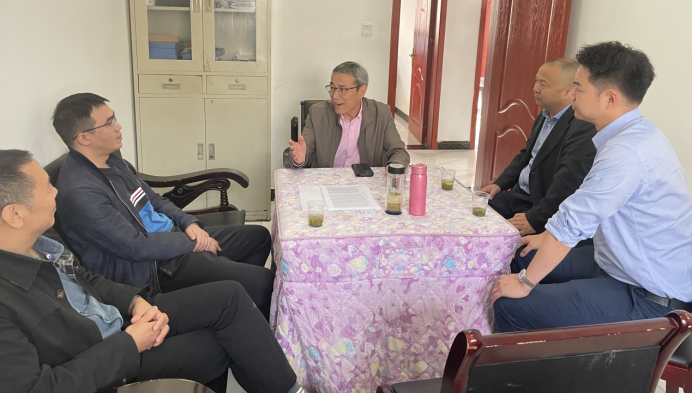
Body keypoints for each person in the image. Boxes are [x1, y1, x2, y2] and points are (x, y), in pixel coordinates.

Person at [0, 149, 300, 393]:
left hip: (120, 318)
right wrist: (130, 344)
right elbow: (40, 388)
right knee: (216, 346)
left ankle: (284, 388)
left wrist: (134, 302)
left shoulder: (42, 240)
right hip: (105, 356)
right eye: (47, 188)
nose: (56, 190)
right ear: (14, 214)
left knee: (230, 296)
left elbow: (88, 279)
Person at [491, 41, 692, 332]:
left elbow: (573, 222)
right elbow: (586, 211)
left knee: (510, 304)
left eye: (578, 88)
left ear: (609, 99)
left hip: (646, 294)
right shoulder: (638, 133)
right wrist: (544, 237)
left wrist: (525, 283)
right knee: (519, 257)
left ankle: (551, 362)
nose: (571, 94)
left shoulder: (625, 152)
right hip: (616, 261)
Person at [52, 93, 275, 319]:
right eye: (109, 123)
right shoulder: (81, 192)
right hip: (154, 267)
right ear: (84, 138)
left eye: (114, 119)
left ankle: (241, 302)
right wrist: (193, 243)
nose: (118, 126)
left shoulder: (110, 160)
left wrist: (189, 224)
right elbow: (135, 246)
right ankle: (238, 301)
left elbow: (154, 200)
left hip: (171, 237)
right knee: (265, 282)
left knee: (259, 237)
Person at [481, 58, 596, 235]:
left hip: (540, 206)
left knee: (498, 240)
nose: (535, 88)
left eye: (543, 84)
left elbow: (567, 182)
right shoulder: (544, 115)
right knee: (471, 214)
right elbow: (526, 155)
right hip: (517, 195)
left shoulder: (582, 126)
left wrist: (535, 219)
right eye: (536, 81)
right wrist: (499, 184)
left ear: (568, 91)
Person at [288, 61, 410, 168]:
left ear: (361, 91)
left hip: (365, 182)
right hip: (327, 182)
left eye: (342, 89)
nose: (334, 95)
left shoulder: (381, 113)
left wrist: (394, 166)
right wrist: (300, 159)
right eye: (332, 88)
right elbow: (304, 151)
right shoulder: (317, 113)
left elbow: (398, 152)